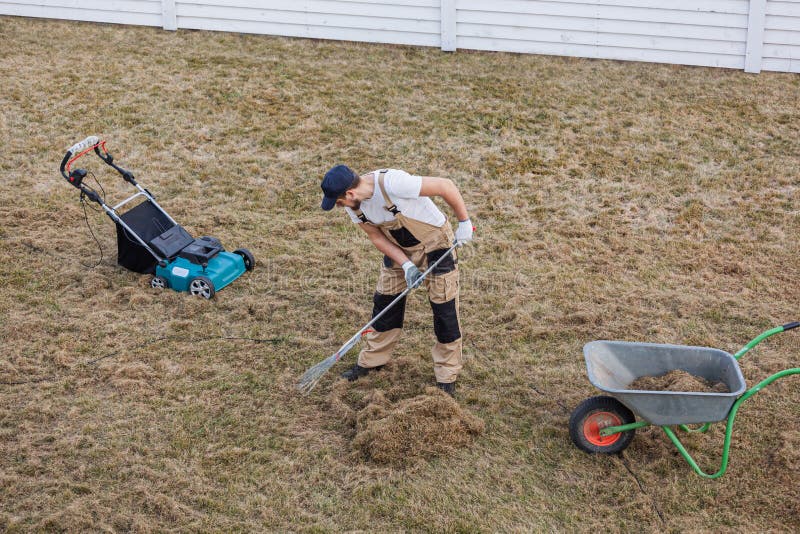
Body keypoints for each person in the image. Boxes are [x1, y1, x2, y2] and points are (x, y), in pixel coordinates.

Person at [320, 164, 474, 395]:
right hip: (399, 249)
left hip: (436, 243)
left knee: (444, 310)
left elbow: (445, 186)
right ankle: (372, 361)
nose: (339, 206)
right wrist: (407, 265)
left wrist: (464, 223)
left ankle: (446, 374)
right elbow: (376, 237)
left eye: (339, 201)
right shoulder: (355, 207)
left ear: (349, 194)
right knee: (385, 302)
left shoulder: (393, 183)